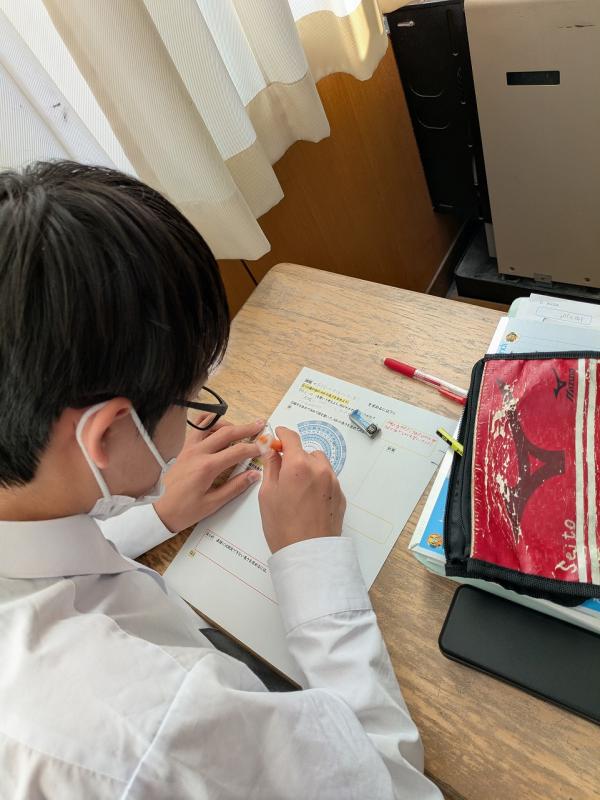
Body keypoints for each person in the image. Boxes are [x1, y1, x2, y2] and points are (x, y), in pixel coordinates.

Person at [0, 161, 441, 799]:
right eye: (189, 399)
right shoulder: (155, 729)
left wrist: (147, 513)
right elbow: (393, 785)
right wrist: (313, 561)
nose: (192, 417)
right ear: (106, 434)